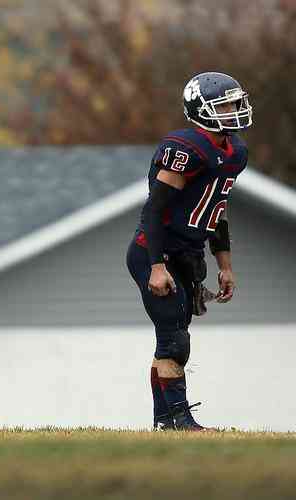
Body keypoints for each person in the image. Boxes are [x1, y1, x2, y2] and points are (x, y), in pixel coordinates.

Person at [126, 72, 251, 431]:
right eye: (225, 104)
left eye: (235, 102)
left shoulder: (235, 152)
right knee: (174, 340)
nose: (234, 109)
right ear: (202, 110)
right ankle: (181, 421)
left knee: (172, 336)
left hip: (187, 253)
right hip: (156, 251)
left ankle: (164, 422)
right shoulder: (185, 148)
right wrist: (155, 265)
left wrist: (224, 265)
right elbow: (154, 209)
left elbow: (216, 211)